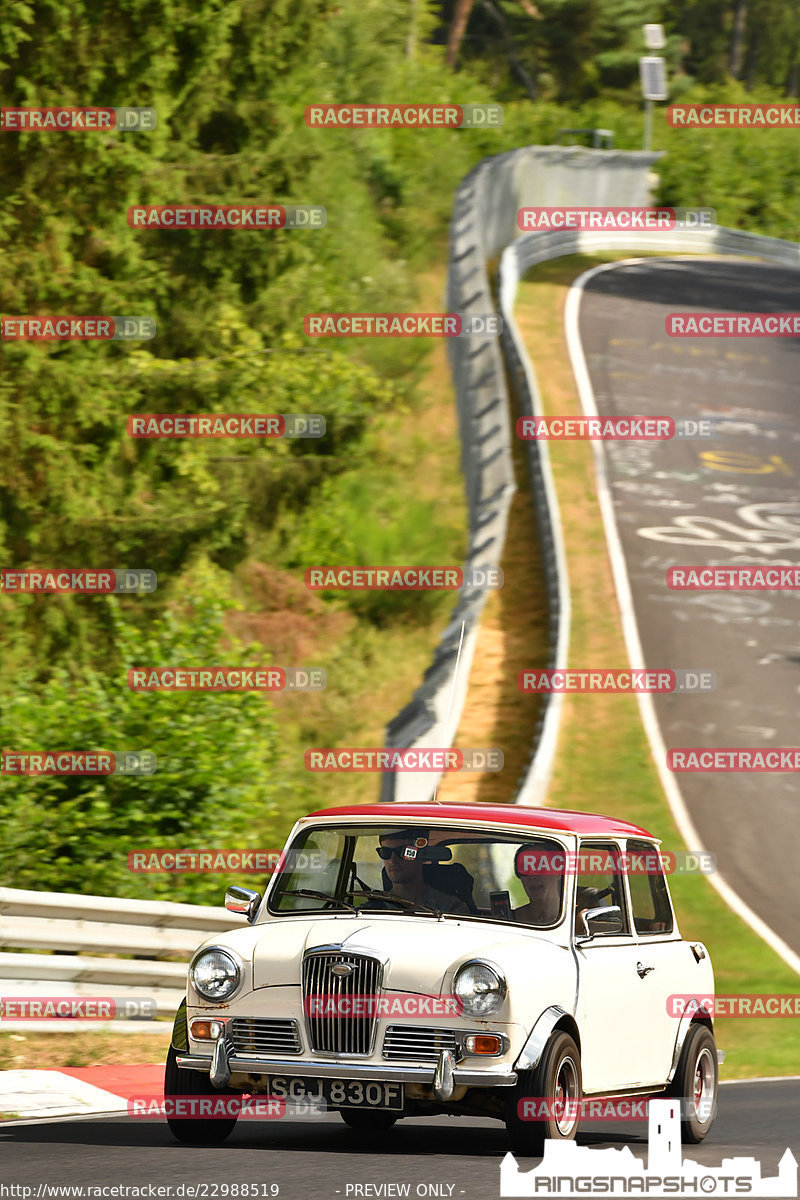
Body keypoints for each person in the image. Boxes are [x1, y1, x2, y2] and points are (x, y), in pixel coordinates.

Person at [370, 829, 471, 916]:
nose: (393, 860)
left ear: (421, 856)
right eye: (385, 852)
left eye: (403, 852)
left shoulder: (450, 908)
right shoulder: (371, 910)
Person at [512, 842, 565, 926]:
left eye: (540, 866)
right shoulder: (508, 921)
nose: (532, 876)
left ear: (559, 871)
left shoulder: (577, 923)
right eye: (525, 868)